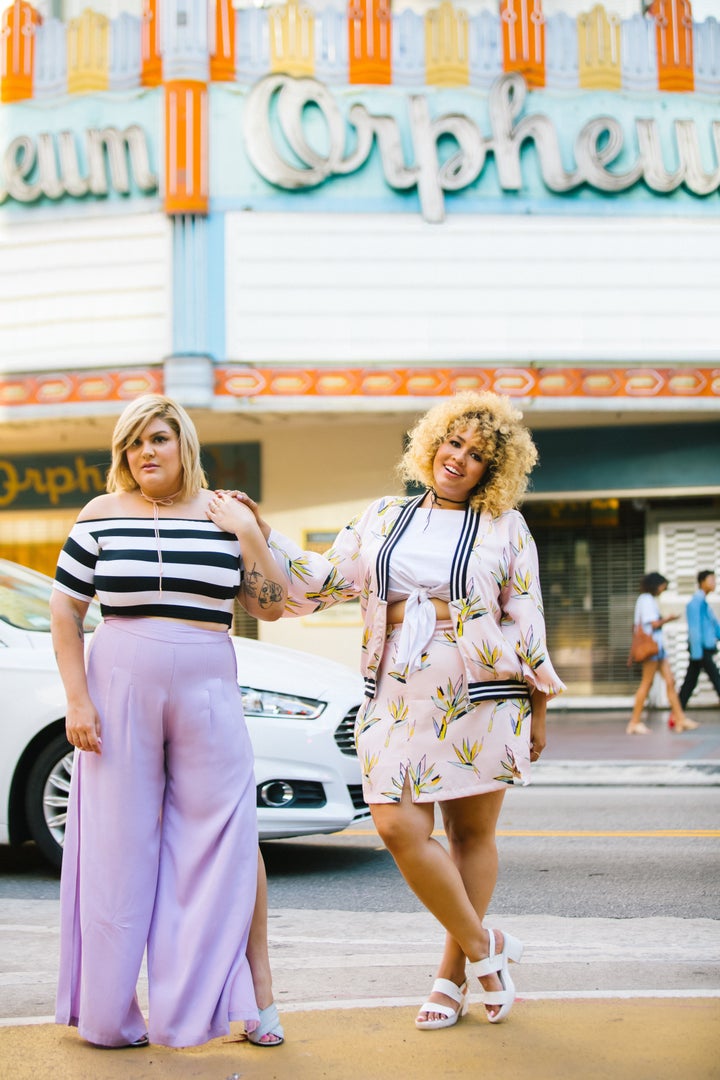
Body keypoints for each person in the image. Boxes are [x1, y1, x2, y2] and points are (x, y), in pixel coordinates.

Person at [207, 390, 565, 1030]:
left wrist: (538, 710)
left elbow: (527, 619)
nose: (459, 459)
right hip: (397, 689)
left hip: (482, 694)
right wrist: (261, 532)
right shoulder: (384, 516)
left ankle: (451, 977)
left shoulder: (506, 528)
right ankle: (488, 950)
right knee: (399, 827)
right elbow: (318, 580)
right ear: (432, 444)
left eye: (477, 454)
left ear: (494, 468)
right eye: (452, 443)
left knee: (469, 836)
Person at [50, 394, 287, 1049]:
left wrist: (248, 532)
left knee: (222, 841)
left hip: (209, 679)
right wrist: (77, 700)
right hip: (118, 680)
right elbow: (66, 612)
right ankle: (109, 1014)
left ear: (183, 443)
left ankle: (226, 1006)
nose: (145, 452)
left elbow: (269, 606)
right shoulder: (100, 515)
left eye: (157, 438)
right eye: (132, 443)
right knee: (117, 846)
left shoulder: (222, 513)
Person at [626, 572, 697, 735]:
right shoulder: (646, 600)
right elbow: (653, 624)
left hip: (658, 649)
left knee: (670, 682)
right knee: (646, 683)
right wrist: (669, 619)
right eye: (662, 586)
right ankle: (634, 722)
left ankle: (680, 718)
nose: (662, 589)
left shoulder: (646, 600)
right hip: (652, 649)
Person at [678, 570, 720, 709]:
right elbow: (694, 629)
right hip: (700, 650)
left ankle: (678, 711)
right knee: (716, 678)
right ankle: (677, 711)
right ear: (702, 582)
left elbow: (713, 626)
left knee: (690, 682)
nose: (714, 583)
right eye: (711, 580)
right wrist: (697, 654)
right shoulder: (695, 603)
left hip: (703, 649)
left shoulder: (704, 603)